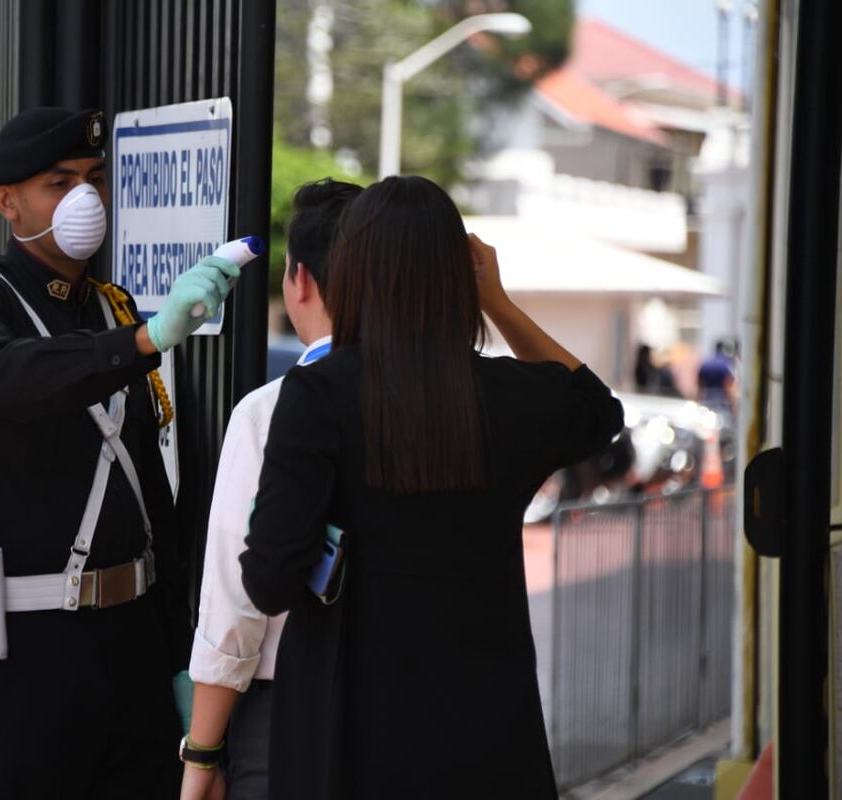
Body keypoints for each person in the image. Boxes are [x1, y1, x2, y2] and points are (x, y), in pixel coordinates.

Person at [239, 176, 625, 799]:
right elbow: (598, 409)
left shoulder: (318, 395)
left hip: (348, 734)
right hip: (488, 733)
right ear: (458, 279)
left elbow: (269, 580)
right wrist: (496, 301)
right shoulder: (510, 397)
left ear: (352, 274)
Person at [0, 106, 239, 799]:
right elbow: (6, 379)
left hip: (129, 646)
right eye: (59, 182)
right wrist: (143, 341)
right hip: (12, 649)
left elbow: (151, 500)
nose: (84, 198)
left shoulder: (111, 308)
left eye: (95, 177)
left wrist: (177, 657)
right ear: (7, 201)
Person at [179, 179, 361, 800]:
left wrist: (202, 754)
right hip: (411, 706)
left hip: (285, 711)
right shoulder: (440, 405)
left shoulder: (269, 411)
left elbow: (235, 604)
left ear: (299, 280)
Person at [698, 339, 737, 414]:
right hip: (722, 402)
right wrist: (733, 403)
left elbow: (700, 384)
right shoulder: (726, 364)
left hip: (707, 400)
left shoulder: (706, 363)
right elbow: (728, 384)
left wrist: (699, 399)